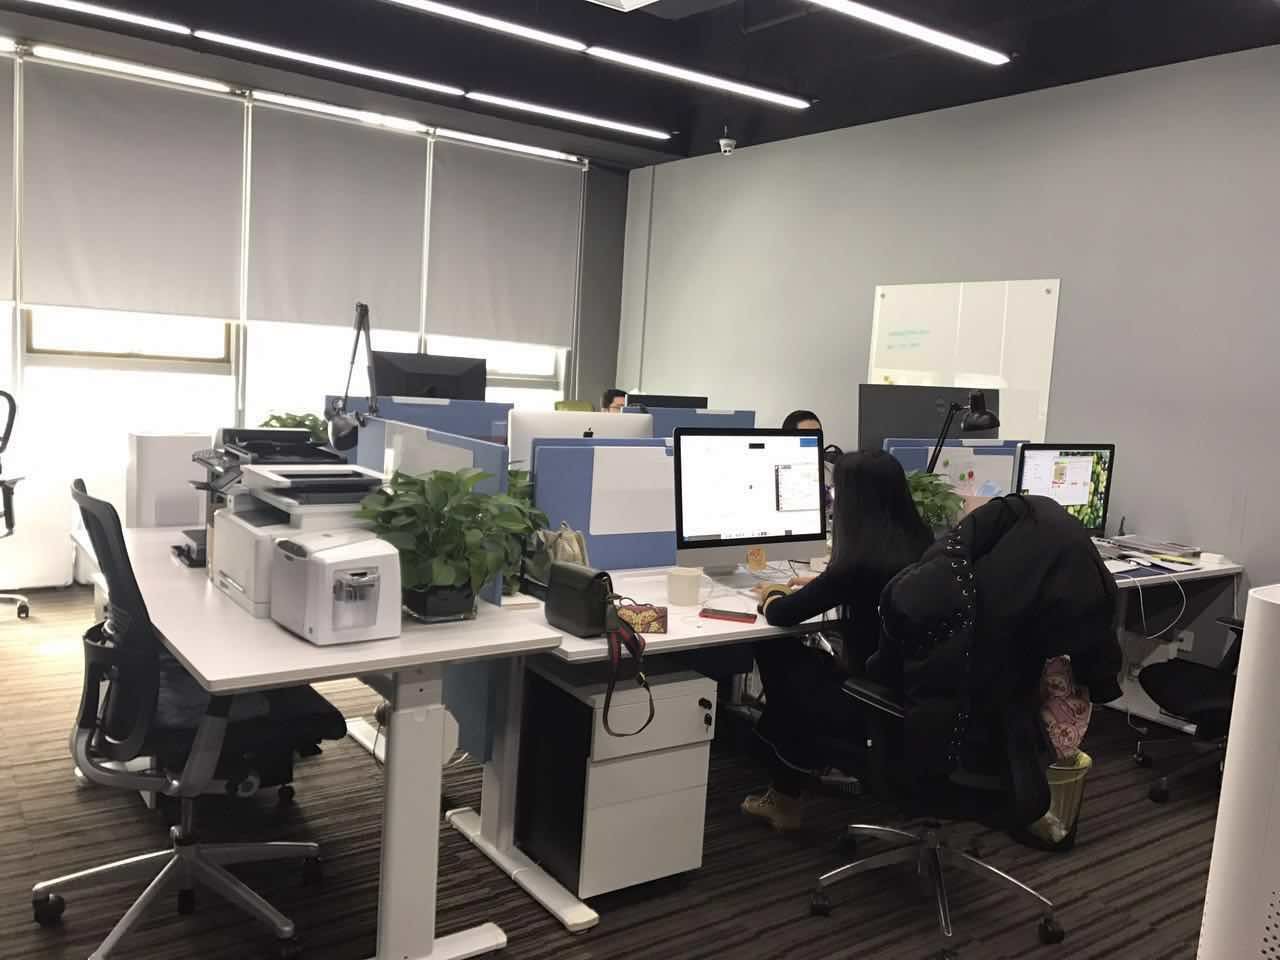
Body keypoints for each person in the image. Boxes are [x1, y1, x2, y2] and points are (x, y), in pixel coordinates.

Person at [742, 450, 933, 831]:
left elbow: (781, 615)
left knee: (776, 653)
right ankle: (786, 790)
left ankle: (785, 798)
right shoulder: (923, 545)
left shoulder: (857, 564)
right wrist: (823, 583)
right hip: (919, 702)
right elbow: (857, 586)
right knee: (803, 669)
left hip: (873, 706)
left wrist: (772, 593)